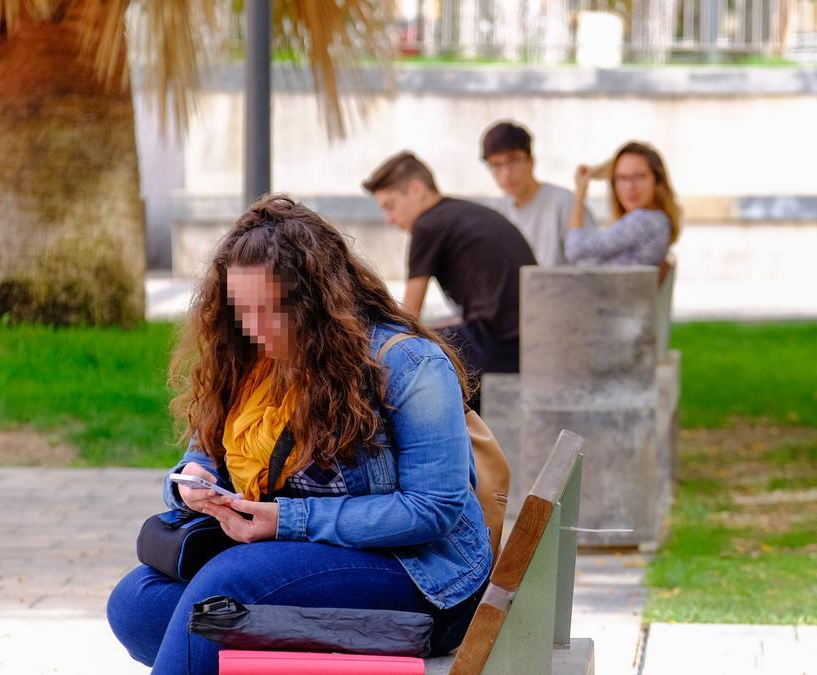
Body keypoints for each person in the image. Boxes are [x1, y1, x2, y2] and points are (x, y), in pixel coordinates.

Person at [106, 195, 492, 674]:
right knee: (137, 603)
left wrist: (285, 520)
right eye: (242, 310)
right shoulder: (249, 359)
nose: (255, 328)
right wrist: (192, 479)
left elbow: (433, 507)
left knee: (222, 594)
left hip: (425, 589)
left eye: (272, 310)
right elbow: (207, 448)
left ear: (318, 301)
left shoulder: (408, 364)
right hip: (297, 569)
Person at [362, 151, 537, 412]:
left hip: (499, 345)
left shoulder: (428, 225)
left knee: (394, 353)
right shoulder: (457, 213)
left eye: (390, 206)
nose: (389, 219)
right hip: (526, 340)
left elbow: (407, 316)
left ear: (417, 189)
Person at [480, 120, 595, 266]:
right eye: (496, 165)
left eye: (513, 160)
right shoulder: (496, 212)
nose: (506, 173)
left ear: (531, 160)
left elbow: (590, 265)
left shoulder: (565, 203)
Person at [565, 141, 680, 266]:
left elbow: (574, 249)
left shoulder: (641, 221)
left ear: (657, 181)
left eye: (639, 177)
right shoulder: (660, 221)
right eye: (622, 178)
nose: (630, 186)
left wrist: (580, 193)